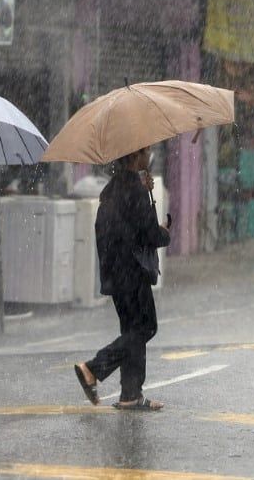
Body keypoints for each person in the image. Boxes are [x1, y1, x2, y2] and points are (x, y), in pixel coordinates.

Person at [74, 146, 170, 411]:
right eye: (146, 151)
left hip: (115, 273)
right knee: (146, 327)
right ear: (135, 156)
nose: (149, 155)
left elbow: (120, 228)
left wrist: (144, 190)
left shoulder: (113, 188)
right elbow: (149, 235)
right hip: (132, 272)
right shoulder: (134, 191)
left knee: (131, 331)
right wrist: (164, 232)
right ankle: (93, 368)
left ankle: (130, 394)